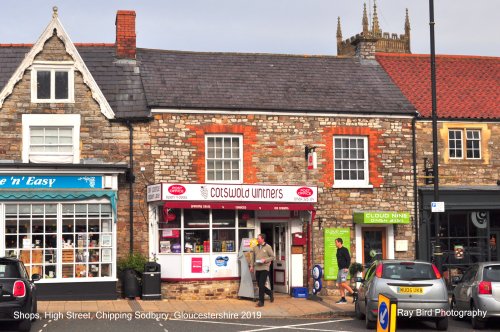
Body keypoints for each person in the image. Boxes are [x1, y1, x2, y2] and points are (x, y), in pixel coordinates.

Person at [249, 234, 275, 307]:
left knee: (261, 284)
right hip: (257, 268)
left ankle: (261, 302)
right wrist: (251, 266)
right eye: (257, 238)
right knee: (260, 285)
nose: (257, 239)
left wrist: (265, 260)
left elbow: (272, 257)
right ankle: (270, 293)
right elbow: (252, 258)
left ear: (262, 239)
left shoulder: (268, 247)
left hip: (264, 268)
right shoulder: (255, 247)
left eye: (258, 238)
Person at [335, 237, 356, 304]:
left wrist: (347, 267)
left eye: (336, 242)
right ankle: (343, 298)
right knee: (340, 284)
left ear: (339, 242)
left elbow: (348, 259)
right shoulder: (338, 250)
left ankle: (354, 294)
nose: (335, 243)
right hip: (340, 269)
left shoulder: (345, 250)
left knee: (343, 283)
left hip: (344, 269)